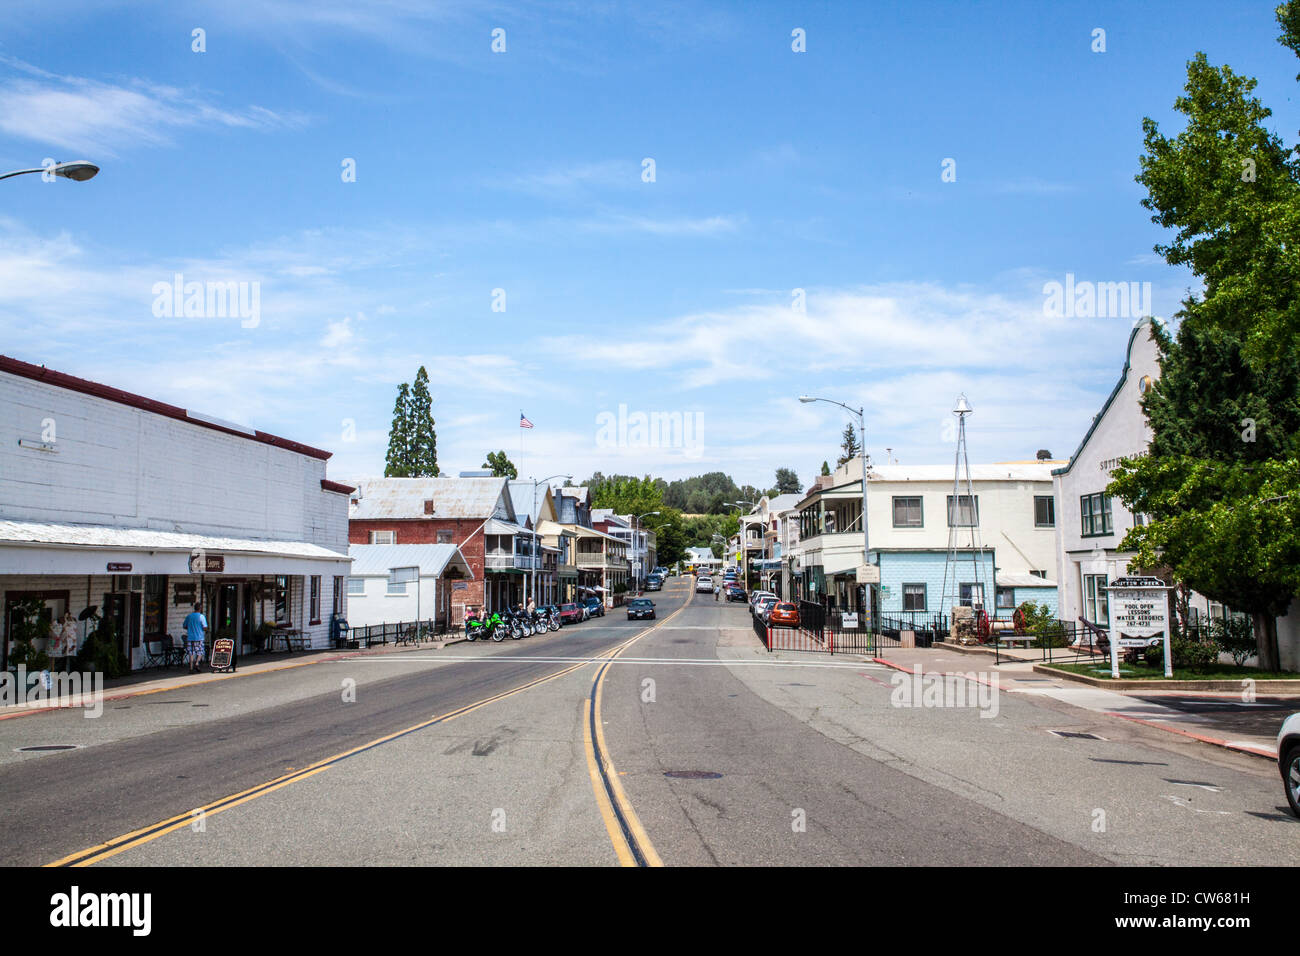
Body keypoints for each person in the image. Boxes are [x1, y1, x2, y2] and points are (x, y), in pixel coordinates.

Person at [183, 602, 207, 673]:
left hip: (190, 637)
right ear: (200, 608)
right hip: (199, 637)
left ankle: (191, 668)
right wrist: (203, 629)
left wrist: (190, 628)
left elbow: (184, 626)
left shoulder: (189, 616)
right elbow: (205, 627)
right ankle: (197, 663)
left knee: (191, 653)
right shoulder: (201, 617)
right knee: (200, 651)